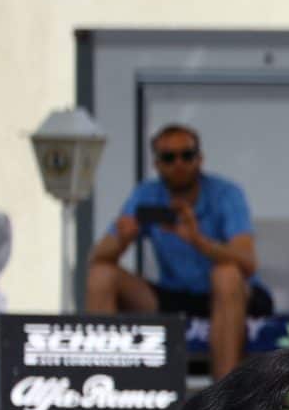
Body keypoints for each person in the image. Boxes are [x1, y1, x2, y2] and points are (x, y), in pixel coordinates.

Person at [86, 122, 263, 378]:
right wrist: (121, 239)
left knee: (225, 275)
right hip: (174, 296)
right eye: (169, 157)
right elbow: (97, 258)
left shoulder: (226, 193)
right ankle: (103, 388)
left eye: (187, 155)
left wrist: (197, 239)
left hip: (232, 296)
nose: (179, 163)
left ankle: (223, 405)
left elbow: (248, 262)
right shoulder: (147, 195)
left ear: (200, 159)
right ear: (157, 164)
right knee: (102, 275)